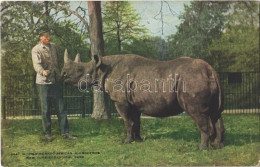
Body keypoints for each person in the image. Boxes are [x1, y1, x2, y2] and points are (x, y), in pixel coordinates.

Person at [32, 27, 76, 141]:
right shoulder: (36, 49)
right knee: (46, 109)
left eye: (49, 36)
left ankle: (65, 132)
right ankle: (47, 134)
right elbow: (36, 65)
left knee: (61, 108)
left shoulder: (54, 46)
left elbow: (57, 62)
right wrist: (42, 71)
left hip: (56, 81)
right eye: (45, 36)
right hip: (43, 83)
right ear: (40, 37)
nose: (48, 38)